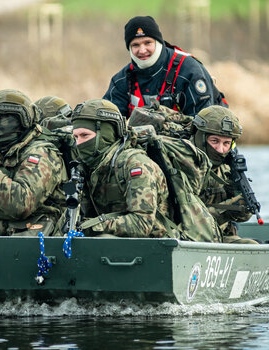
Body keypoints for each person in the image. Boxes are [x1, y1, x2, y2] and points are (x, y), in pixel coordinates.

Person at [0, 89, 68, 236]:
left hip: (41, 238)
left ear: (11, 121)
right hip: (9, 236)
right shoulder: (4, 153)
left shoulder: (41, 154)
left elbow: (21, 205)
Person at [65, 98, 177, 238]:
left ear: (106, 134)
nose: (79, 143)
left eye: (85, 135)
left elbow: (141, 224)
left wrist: (89, 226)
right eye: (76, 137)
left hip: (155, 245)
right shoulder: (90, 166)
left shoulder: (136, 165)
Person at [103, 15, 223, 119]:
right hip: (150, 142)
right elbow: (108, 122)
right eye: (135, 45)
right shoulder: (121, 80)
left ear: (158, 42)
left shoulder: (189, 70)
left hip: (213, 139)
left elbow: (205, 122)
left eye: (147, 43)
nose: (142, 50)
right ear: (129, 48)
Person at [191, 105, 258, 244]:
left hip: (219, 237)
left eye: (226, 143)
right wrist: (228, 210)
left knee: (252, 247)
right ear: (200, 137)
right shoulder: (183, 166)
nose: (220, 150)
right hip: (188, 239)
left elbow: (240, 218)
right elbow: (189, 223)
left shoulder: (227, 168)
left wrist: (242, 208)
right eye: (214, 141)